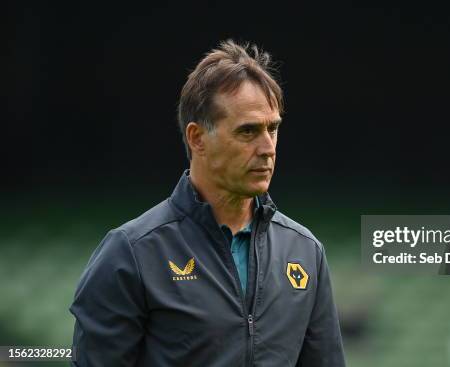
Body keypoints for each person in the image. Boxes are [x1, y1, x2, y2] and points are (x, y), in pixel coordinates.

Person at [69, 40, 346, 366]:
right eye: (248, 132)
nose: (267, 147)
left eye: (273, 129)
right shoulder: (131, 253)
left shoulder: (305, 252)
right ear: (197, 138)